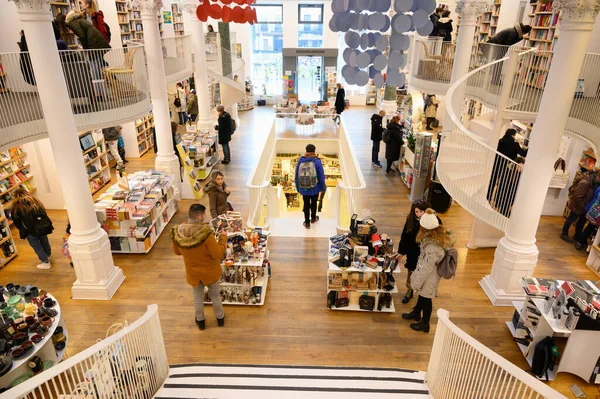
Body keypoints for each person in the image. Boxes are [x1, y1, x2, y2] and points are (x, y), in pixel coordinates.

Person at [171, 204, 227, 330]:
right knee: (215, 296)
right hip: (210, 271)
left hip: (193, 273)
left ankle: (200, 321)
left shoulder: (177, 232)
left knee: (197, 298)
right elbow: (218, 254)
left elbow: (177, 251)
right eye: (205, 214)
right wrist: (223, 238)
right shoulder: (206, 234)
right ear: (200, 217)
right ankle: (220, 319)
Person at [402, 208, 455, 333]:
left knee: (426, 298)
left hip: (431, 275)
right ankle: (416, 313)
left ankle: (425, 323)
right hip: (428, 272)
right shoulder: (433, 237)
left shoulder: (432, 246)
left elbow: (427, 268)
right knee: (423, 295)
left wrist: (416, 282)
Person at [398, 200, 442, 304]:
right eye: (416, 212)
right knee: (411, 272)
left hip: (427, 253)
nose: (419, 214)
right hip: (413, 251)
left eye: (421, 211)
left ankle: (422, 296)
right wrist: (401, 252)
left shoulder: (434, 220)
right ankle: (409, 290)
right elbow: (404, 237)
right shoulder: (411, 220)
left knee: (425, 274)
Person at [11, 188, 54, 270]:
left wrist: (22, 229)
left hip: (29, 230)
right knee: (44, 240)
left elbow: (16, 220)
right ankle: (48, 255)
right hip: (42, 226)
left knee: (36, 245)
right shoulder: (35, 201)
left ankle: (45, 262)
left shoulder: (16, 206)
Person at [66, 10, 110, 80]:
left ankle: (98, 85)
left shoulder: (72, 23)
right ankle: (100, 84)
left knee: (94, 64)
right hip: (95, 41)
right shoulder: (80, 19)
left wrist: (85, 48)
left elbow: (82, 36)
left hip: (92, 43)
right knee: (97, 63)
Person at [486, 129, 528, 202]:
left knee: (493, 181)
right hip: (507, 166)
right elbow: (523, 154)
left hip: (496, 164)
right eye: (515, 135)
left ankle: (488, 198)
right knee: (503, 184)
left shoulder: (500, 141)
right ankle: (498, 201)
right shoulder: (515, 144)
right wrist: (530, 148)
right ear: (512, 135)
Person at [562, 170, 600, 243]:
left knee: (581, 222)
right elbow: (578, 196)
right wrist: (584, 207)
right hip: (578, 206)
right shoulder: (585, 182)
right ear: (597, 177)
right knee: (571, 220)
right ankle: (564, 234)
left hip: (585, 206)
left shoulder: (594, 183)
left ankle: (577, 236)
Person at [295, 144, 326, 229]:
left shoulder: (301, 161)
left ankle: (307, 222)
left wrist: (298, 187)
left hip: (304, 188)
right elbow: (321, 175)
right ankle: (313, 218)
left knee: (306, 204)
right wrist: (323, 187)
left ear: (306, 150)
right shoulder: (317, 161)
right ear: (314, 151)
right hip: (314, 188)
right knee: (314, 203)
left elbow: (297, 175)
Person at [576, 186, 600, 250]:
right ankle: (582, 243)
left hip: (593, 209)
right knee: (591, 228)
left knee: (589, 227)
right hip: (596, 213)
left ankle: (581, 242)